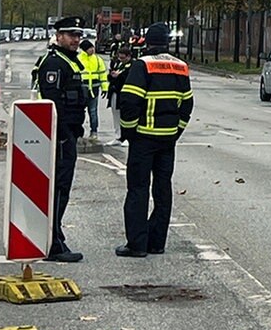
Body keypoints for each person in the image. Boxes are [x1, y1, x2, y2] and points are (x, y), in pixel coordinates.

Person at [114, 23, 193, 257]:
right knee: (162, 190)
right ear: (167, 42)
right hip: (167, 140)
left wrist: (129, 132)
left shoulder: (142, 65)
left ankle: (137, 244)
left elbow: (129, 101)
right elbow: (187, 104)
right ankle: (157, 242)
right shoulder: (181, 67)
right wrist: (176, 131)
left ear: (147, 43)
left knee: (138, 189)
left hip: (143, 138)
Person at [31, 16, 91, 263]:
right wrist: (62, 132)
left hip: (68, 131)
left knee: (62, 187)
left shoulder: (70, 61)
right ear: (58, 36)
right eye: (70, 35)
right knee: (57, 187)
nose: (76, 39)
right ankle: (52, 242)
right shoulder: (54, 63)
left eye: (78, 35)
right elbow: (51, 102)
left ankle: (55, 234)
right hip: (59, 133)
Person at [77, 38, 108, 140]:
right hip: (82, 89)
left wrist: (104, 88)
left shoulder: (98, 60)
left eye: (92, 48)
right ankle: (78, 132)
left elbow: (103, 75)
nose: (92, 50)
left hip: (94, 89)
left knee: (93, 111)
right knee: (80, 112)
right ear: (85, 49)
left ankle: (94, 131)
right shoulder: (78, 59)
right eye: (90, 48)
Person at [106, 44, 134, 141]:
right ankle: (118, 136)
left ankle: (126, 137)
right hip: (115, 92)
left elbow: (129, 79)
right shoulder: (117, 64)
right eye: (119, 57)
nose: (121, 59)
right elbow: (109, 76)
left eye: (123, 58)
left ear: (128, 56)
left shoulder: (133, 66)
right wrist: (112, 75)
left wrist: (119, 76)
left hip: (124, 93)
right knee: (116, 115)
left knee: (124, 116)